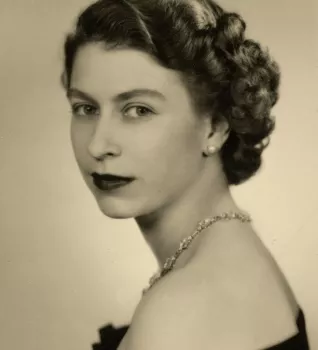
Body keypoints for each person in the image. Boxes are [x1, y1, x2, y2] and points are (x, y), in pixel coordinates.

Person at [60, 0, 310, 348]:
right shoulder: (232, 255)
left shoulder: (182, 308)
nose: (98, 145)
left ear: (214, 128)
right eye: (85, 108)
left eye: (138, 109)